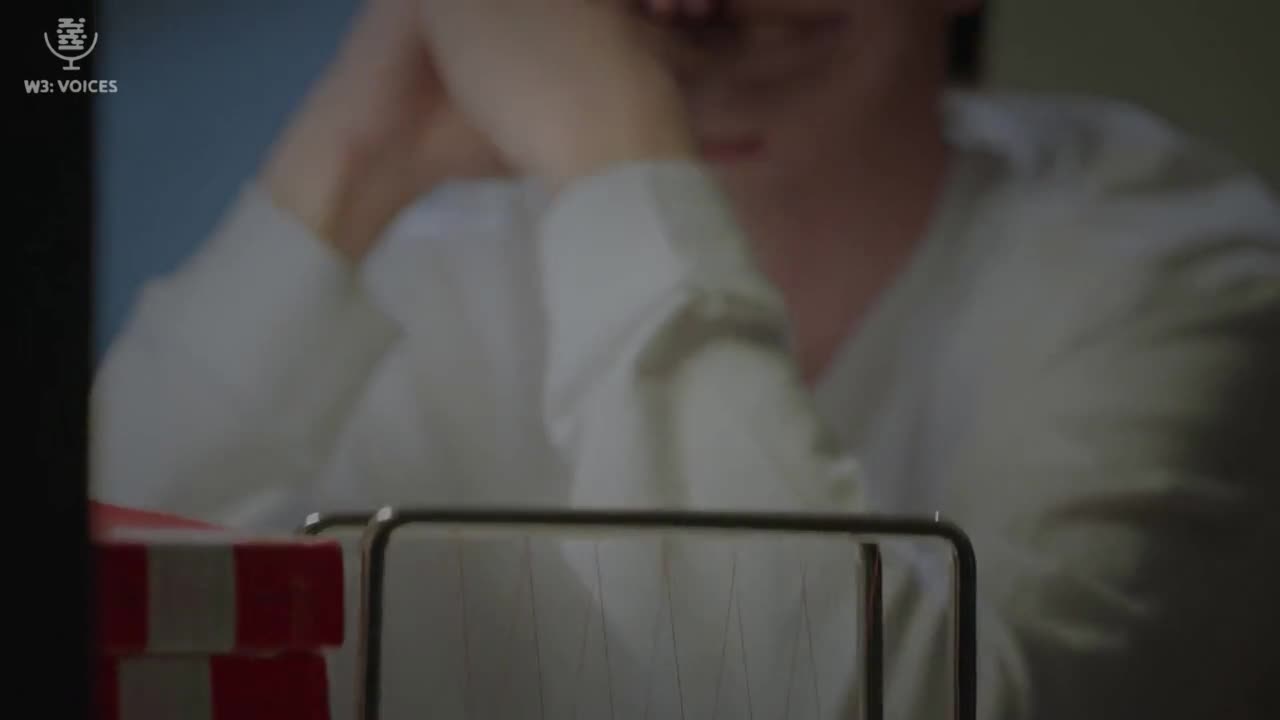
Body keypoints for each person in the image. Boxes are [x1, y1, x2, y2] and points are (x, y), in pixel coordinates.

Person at [91, 0, 1280, 717]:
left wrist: (618, 155)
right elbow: (95, 634)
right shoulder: (446, 259)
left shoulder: (1173, 267)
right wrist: (347, 160)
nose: (692, 8)